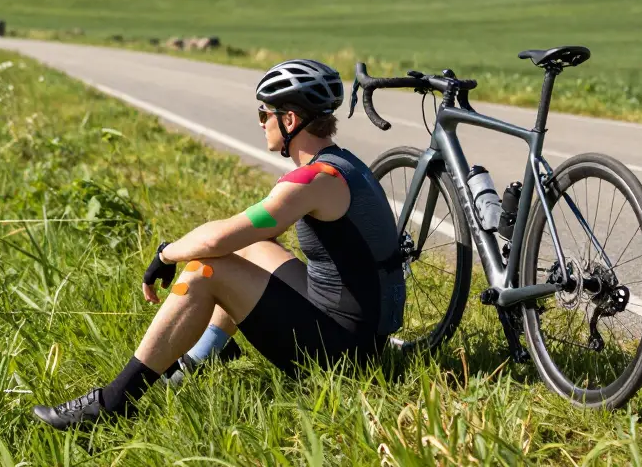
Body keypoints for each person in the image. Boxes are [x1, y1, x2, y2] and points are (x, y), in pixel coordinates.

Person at [32, 59, 406, 429]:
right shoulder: (343, 164)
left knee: (206, 270)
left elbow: (216, 237)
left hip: (344, 354)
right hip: (360, 329)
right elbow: (244, 235)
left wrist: (166, 253)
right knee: (244, 249)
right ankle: (205, 355)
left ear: (289, 120)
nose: (261, 122)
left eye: (265, 114)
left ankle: (115, 402)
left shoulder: (311, 181)